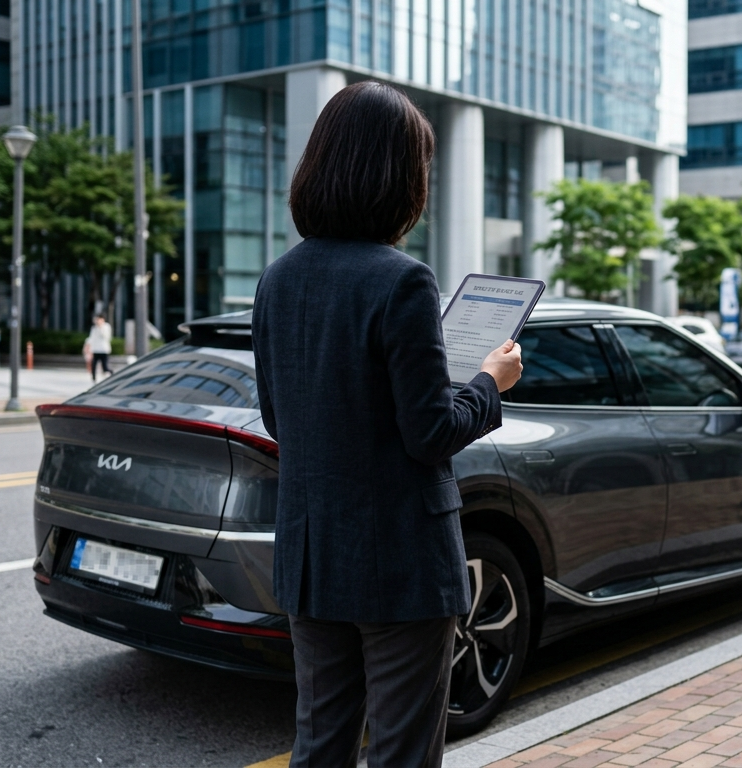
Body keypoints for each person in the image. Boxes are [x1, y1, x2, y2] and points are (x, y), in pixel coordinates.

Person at [251, 81, 523, 768]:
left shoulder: (277, 280)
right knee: (402, 750)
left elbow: (281, 418)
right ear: (400, 177)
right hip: (400, 560)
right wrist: (490, 382)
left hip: (313, 558)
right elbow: (429, 433)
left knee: (320, 743)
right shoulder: (401, 281)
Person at [84, 314, 113, 382]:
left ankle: (112, 373)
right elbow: (91, 338)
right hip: (96, 350)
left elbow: (107, 337)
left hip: (104, 350)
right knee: (93, 364)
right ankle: (94, 378)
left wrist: (101, 327)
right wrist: (88, 347)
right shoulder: (94, 328)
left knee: (105, 367)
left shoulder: (106, 326)